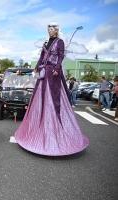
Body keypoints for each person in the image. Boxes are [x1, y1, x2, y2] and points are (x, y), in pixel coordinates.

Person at [14, 22, 89, 156]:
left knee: (54, 98)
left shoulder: (59, 42)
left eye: (52, 29)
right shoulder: (46, 42)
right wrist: (37, 66)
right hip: (44, 72)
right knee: (39, 96)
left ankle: (56, 125)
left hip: (53, 72)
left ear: (56, 30)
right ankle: (39, 126)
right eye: (48, 28)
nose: (49, 30)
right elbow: (42, 57)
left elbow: (60, 56)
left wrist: (56, 67)